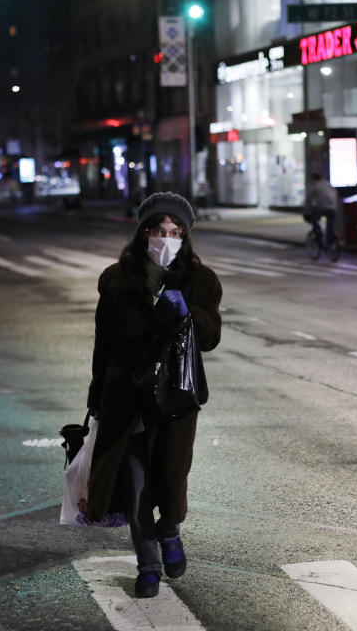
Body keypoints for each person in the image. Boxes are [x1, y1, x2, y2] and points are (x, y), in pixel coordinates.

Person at [85, 192, 222, 598]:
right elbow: (103, 344)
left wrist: (190, 315)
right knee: (137, 487)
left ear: (185, 237)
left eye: (176, 232)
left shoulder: (200, 280)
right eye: (160, 230)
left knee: (171, 480)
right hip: (126, 399)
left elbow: (211, 337)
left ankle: (171, 531)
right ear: (144, 233)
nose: (167, 238)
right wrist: (95, 398)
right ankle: (148, 567)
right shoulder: (116, 279)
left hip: (175, 401)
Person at [304, 172, 341, 249]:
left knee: (313, 218)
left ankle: (318, 231)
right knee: (330, 225)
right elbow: (335, 193)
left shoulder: (315, 185)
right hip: (333, 208)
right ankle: (329, 241)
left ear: (314, 179)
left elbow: (309, 199)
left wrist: (307, 210)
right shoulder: (327, 183)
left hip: (322, 208)